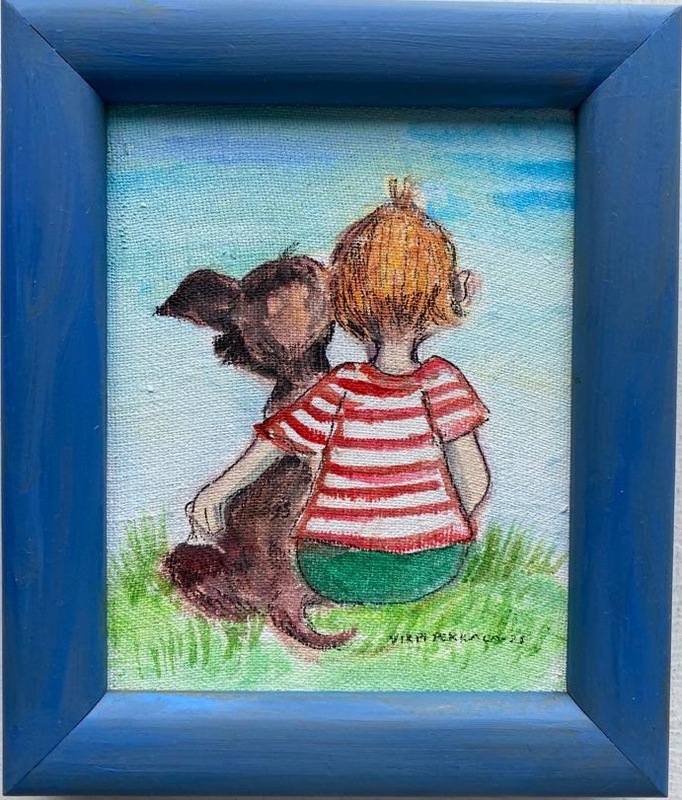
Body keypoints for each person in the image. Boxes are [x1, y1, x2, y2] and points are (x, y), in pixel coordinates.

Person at [187, 177, 491, 605]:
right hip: (429, 566)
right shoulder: (441, 383)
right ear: (447, 297)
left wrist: (214, 493)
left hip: (332, 568)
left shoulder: (341, 386)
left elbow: (273, 443)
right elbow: (474, 481)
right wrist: (438, 525)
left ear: (343, 302)